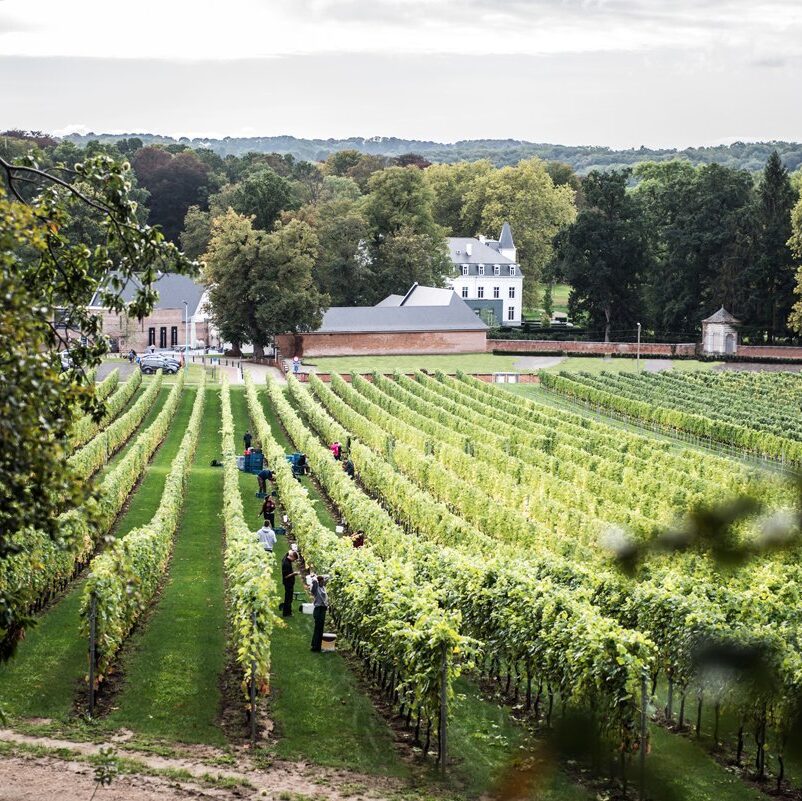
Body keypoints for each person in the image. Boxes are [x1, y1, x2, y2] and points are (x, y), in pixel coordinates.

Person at [309, 573, 329, 652]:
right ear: (319, 581)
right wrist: (315, 577)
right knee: (318, 628)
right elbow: (314, 581)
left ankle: (318, 646)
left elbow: (328, 576)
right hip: (318, 609)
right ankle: (315, 646)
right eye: (322, 581)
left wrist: (322, 577)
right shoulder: (316, 588)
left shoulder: (323, 588)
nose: (324, 582)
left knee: (320, 629)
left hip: (323, 609)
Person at [281, 550, 300, 616]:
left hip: (289, 583)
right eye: (294, 559)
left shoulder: (286, 558)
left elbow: (289, 551)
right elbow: (286, 576)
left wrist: (291, 552)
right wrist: (294, 574)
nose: (294, 561)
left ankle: (287, 611)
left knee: (289, 598)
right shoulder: (286, 564)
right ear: (292, 557)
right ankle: (287, 613)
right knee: (288, 598)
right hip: (288, 583)